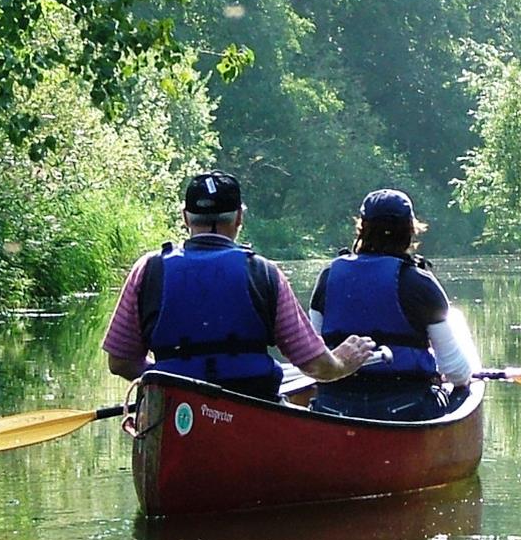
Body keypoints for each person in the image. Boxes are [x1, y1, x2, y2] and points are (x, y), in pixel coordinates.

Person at [102, 171, 378, 399]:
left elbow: (120, 361)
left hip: (174, 405)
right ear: (239, 218)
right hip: (252, 405)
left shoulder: (148, 269)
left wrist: (163, 380)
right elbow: (315, 364)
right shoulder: (263, 272)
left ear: (186, 218)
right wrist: (341, 363)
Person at [306, 188, 479, 420]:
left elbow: (312, 357)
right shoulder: (419, 282)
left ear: (362, 228)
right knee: (462, 390)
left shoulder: (329, 276)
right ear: (410, 231)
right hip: (407, 411)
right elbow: (457, 374)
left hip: (335, 409)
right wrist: (453, 378)